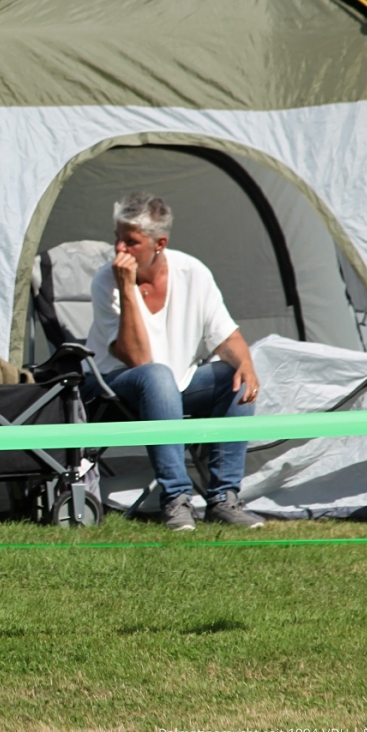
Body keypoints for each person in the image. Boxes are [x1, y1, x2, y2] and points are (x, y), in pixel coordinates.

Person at [83, 193, 264, 532]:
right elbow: (137, 359)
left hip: (172, 386)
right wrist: (126, 288)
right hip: (111, 388)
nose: (119, 249)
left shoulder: (192, 272)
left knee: (234, 377)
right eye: (116, 238)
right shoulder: (106, 281)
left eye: (131, 241)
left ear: (159, 243)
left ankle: (224, 498)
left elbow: (227, 337)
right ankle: (176, 498)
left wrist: (246, 364)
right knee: (156, 375)